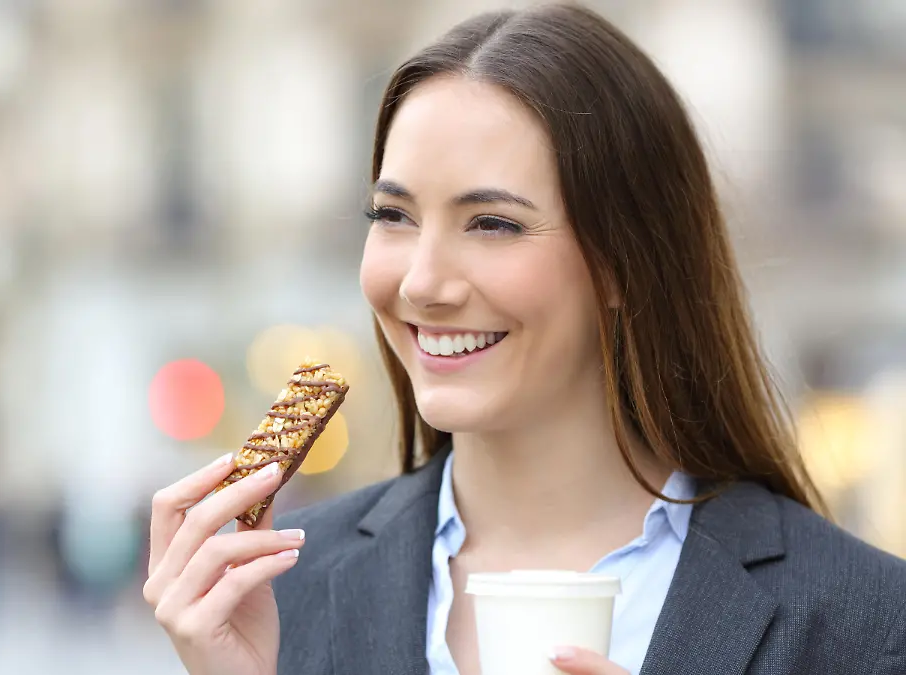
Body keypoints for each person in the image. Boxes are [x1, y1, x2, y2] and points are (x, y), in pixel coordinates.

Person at [142, 5, 906, 674]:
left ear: (622, 260)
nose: (422, 282)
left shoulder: (862, 619)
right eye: (394, 216)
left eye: (493, 224)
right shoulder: (279, 586)